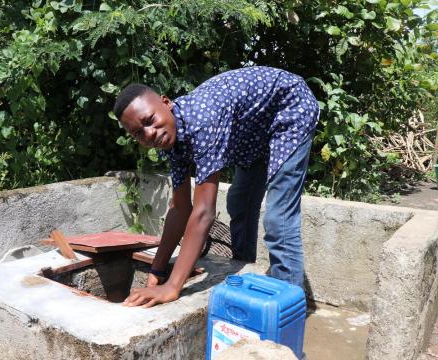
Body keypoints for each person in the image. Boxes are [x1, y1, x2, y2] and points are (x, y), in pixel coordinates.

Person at [112, 66, 319, 308]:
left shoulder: (201, 120)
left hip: (289, 109)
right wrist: (158, 269)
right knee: (239, 203)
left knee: (278, 220)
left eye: (150, 121)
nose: (150, 134)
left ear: (166, 103)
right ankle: (243, 276)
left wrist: (172, 287)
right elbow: (180, 209)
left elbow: (203, 213)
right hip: (254, 132)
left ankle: (287, 310)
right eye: (139, 133)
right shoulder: (173, 139)